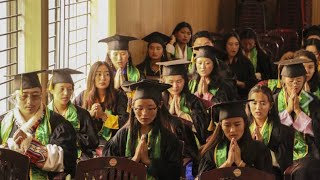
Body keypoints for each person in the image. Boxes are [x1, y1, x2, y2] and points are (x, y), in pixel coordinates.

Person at [0, 70, 77, 179]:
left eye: (35, 96)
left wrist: (30, 147)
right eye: (23, 96)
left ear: (42, 95)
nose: (29, 102)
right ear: (14, 98)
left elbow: (67, 161)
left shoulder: (59, 124)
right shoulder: (4, 123)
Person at [103, 80, 182, 180]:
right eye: (139, 108)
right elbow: (109, 167)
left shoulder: (168, 138)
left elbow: (174, 173)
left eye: (150, 108)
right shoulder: (122, 135)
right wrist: (134, 160)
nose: (144, 113)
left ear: (159, 106)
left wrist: (149, 161)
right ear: (132, 107)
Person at [273, 58, 320, 179]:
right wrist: (288, 110)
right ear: (283, 80)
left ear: (304, 80)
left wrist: (298, 111)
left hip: (308, 148)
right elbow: (272, 129)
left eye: (299, 80)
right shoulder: (274, 100)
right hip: (281, 147)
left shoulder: (312, 100)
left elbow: (315, 131)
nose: (295, 84)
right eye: (291, 81)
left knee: (307, 169)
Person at [198, 100, 273, 175]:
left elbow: (267, 178)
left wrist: (240, 163)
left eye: (237, 124)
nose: (232, 130)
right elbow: (202, 178)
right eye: (227, 125)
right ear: (221, 126)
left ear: (245, 124)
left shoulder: (260, 149)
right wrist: (227, 163)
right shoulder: (211, 152)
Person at [73, 61, 128, 150]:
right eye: (98, 74)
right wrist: (88, 115)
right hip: (87, 144)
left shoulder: (119, 96)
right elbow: (72, 120)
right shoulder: (83, 96)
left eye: (107, 74)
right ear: (92, 77)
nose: (103, 78)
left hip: (112, 144)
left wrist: (104, 116)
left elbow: (125, 122)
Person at [47, 68, 99, 160]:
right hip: (49, 160)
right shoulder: (44, 115)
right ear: (51, 90)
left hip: (78, 159)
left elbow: (93, 141)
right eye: (61, 89)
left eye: (69, 89)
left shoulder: (82, 114)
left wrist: (70, 138)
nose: (66, 93)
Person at [156, 59, 210, 146]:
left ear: (185, 81)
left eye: (179, 81)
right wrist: (169, 115)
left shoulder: (193, 101)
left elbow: (201, 128)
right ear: (164, 81)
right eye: (170, 82)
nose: (175, 86)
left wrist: (181, 114)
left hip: (189, 144)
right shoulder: (159, 100)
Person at [247, 85, 294, 179]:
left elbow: (284, 164)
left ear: (271, 105)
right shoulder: (243, 128)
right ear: (248, 104)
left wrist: (262, 146)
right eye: (254, 103)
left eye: (263, 103)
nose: (258, 108)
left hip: (272, 174)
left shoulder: (282, 131)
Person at [221, 31, 257, 99]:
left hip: (241, 96)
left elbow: (253, 83)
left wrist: (239, 83)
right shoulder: (219, 61)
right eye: (230, 44)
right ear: (225, 45)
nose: (234, 47)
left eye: (236, 44)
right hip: (222, 96)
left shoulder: (245, 62)